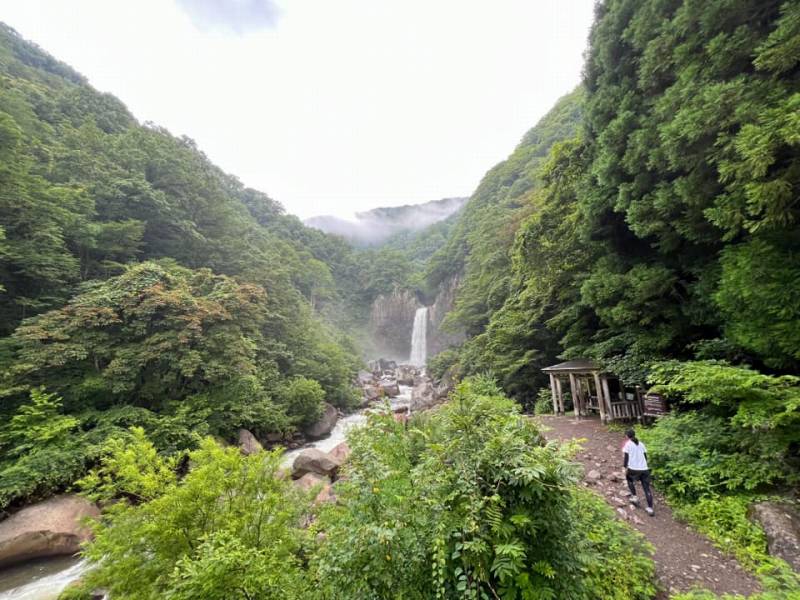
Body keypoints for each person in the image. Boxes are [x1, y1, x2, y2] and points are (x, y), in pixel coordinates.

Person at [622, 428, 654, 516]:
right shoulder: (641, 444)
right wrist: (644, 465)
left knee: (629, 480)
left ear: (627, 436)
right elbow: (645, 457)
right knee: (647, 489)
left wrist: (624, 467)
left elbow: (626, 458)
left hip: (633, 469)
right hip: (644, 469)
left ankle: (634, 497)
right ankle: (650, 508)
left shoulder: (627, 444)